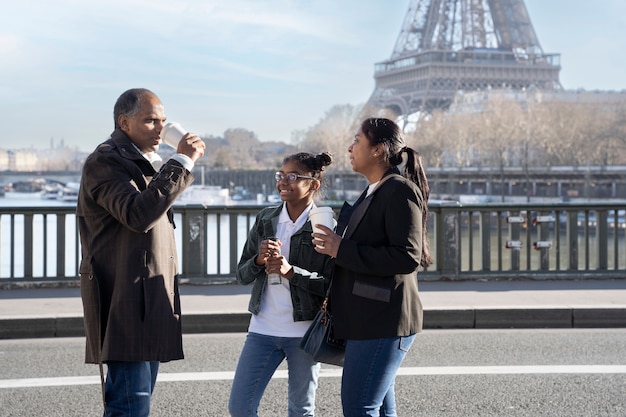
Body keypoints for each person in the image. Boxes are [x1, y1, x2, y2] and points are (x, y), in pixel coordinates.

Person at [77, 88, 206, 416]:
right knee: (130, 407)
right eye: (150, 121)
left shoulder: (144, 161)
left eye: (163, 120)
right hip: (124, 299)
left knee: (136, 404)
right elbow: (137, 214)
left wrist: (169, 165)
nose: (160, 129)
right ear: (124, 122)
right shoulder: (105, 160)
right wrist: (181, 162)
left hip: (147, 298)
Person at [312, 118, 433, 417]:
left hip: (383, 320)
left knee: (359, 408)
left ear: (378, 150)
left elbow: (406, 257)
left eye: (357, 141)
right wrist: (336, 247)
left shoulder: (398, 190)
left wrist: (342, 248)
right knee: (375, 409)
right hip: (371, 318)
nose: (350, 148)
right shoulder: (375, 190)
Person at [228, 152, 335, 417]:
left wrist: (291, 272)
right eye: (280, 175)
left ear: (313, 184)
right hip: (262, 329)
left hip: (305, 333)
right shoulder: (266, 218)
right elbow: (242, 275)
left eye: (292, 176)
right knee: (240, 408)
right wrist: (258, 260)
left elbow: (331, 286)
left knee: (301, 411)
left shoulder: (325, 223)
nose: (283, 182)